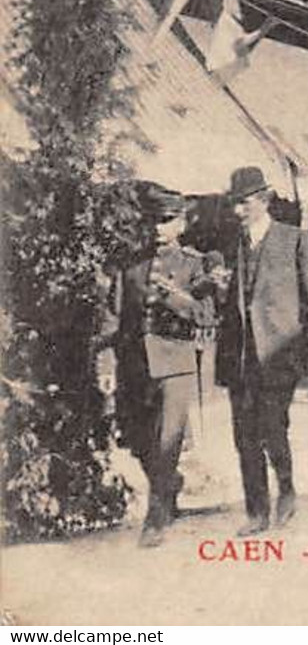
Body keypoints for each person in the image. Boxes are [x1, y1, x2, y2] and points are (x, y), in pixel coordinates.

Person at [100, 184, 224, 547]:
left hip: (176, 363)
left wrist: (174, 296)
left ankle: (156, 518)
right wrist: (106, 364)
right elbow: (112, 320)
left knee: (168, 440)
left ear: (182, 224)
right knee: (137, 438)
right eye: (154, 221)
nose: (158, 229)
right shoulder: (130, 266)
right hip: (135, 366)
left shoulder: (195, 264)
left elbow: (205, 315)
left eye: (167, 221)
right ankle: (169, 484)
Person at [216, 166, 308, 537]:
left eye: (244, 203)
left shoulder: (293, 239)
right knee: (243, 435)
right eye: (235, 204)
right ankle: (256, 512)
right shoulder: (233, 245)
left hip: (280, 354)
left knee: (272, 427)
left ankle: (287, 488)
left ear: (264, 201)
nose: (238, 211)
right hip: (241, 356)